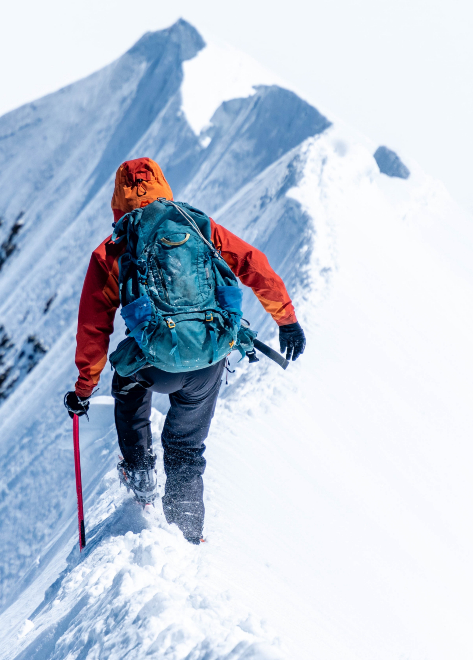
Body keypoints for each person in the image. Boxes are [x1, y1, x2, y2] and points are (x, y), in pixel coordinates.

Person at [64, 157, 305, 544]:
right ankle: (189, 535)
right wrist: (287, 320)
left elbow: (94, 330)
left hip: (156, 364)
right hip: (210, 357)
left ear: (117, 201)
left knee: (126, 376)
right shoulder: (198, 225)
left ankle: (139, 469)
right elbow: (252, 264)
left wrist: (83, 390)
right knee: (186, 447)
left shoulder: (111, 251)